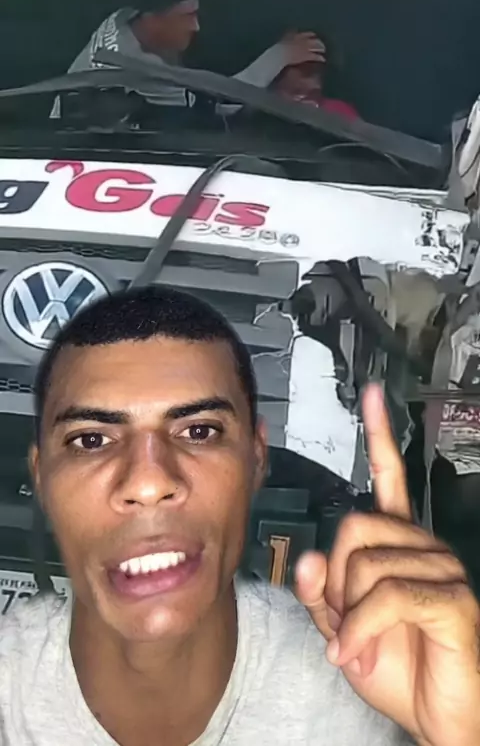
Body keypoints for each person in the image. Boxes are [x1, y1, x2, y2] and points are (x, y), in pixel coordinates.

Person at [1, 285, 479, 746]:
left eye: (199, 431)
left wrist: (460, 734)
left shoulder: (371, 681)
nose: (148, 483)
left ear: (256, 457)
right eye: (91, 440)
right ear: (40, 477)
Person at [51, 0, 326, 119]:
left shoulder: (123, 18)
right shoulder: (141, 71)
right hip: (81, 150)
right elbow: (223, 103)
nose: (196, 26)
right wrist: (280, 55)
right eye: (187, 16)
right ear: (153, 17)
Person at [271, 32, 360, 120]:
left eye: (319, 74)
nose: (316, 85)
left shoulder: (340, 113)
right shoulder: (267, 106)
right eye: (306, 72)